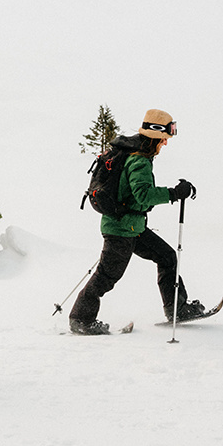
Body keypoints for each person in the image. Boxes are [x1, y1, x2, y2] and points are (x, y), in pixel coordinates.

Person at [68, 109, 204, 335]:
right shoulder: (139, 160)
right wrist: (173, 193)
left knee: (167, 257)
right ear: (155, 137)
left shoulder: (134, 154)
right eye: (164, 139)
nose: (165, 144)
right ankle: (81, 319)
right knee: (106, 276)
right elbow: (143, 195)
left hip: (133, 226)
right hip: (121, 229)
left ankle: (177, 310)